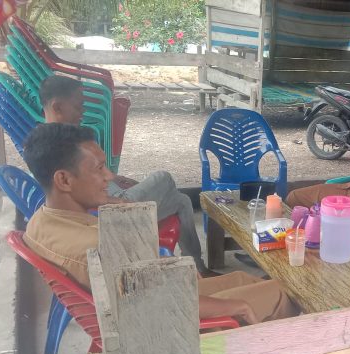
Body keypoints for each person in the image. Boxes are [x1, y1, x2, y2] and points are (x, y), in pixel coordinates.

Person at [22, 123, 299, 325]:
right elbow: (165, 304)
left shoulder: (41, 221)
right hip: (169, 331)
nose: (109, 176)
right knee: (284, 293)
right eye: (98, 168)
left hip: (153, 297)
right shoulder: (100, 250)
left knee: (241, 278)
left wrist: (169, 264)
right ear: (64, 180)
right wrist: (237, 306)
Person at [39, 76, 212, 276]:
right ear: (58, 107)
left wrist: (114, 178)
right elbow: (80, 200)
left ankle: (198, 266)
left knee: (182, 201)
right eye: (78, 107)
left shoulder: (55, 138)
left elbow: (85, 180)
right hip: (112, 210)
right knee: (164, 177)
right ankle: (196, 269)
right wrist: (119, 201)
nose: (83, 112)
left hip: (112, 197)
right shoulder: (55, 148)